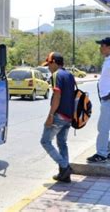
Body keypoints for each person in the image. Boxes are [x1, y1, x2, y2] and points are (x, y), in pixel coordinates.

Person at [87, 37, 110, 163]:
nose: (100, 48)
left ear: (109, 47)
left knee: (103, 127)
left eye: (102, 45)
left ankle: (101, 154)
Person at [40, 52, 75, 183]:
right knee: (62, 143)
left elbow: (57, 96)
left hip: (59, 115)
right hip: (69, 116)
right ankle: (64, 175)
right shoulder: (69, 75)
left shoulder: (56, 75)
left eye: (49, 64)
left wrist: (50, 116)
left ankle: (65, 167)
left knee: (45, 141)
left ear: (54, 62)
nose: (48, 67)